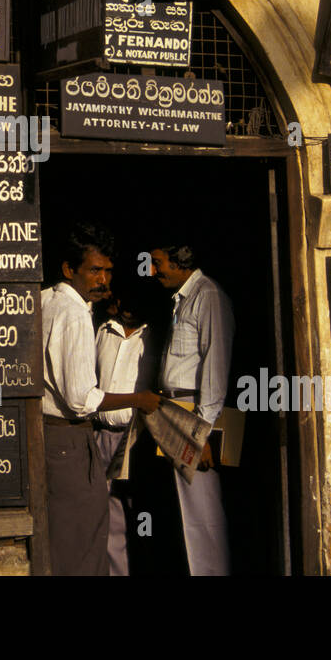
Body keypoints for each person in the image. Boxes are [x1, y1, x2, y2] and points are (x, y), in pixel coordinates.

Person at [42, 222, 160, 575]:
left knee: (67, 534)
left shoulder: (46, 298)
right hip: (69, 438)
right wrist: (138, 398)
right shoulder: (75, 312)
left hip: (53, 438)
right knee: (84, 536)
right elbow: (80, 398)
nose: (103, 280)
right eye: (94, 270)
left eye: (107, 271)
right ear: (69, 269)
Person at [149, 241, 234, 575]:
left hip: (195, 411)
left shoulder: (207, 295)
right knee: (183, 509)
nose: (153, 271)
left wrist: (203, 432)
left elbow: (216, 365)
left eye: (158, 263)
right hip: (173, 409)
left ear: (180, 261)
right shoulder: (182, 299)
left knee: (203, 513)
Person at [93, 274, 162, 575]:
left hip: (138, 438)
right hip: (100, 437)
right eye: (123, 298)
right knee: (108, 516)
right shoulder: (103, 331)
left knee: (143, 513)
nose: (127, 306)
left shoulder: (156, 337)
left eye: (136, 299)